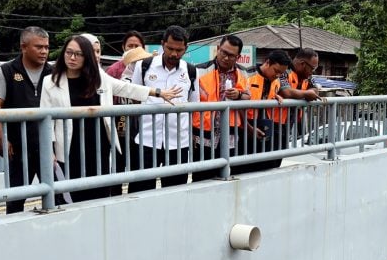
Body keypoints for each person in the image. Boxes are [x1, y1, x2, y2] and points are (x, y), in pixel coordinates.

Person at [39, 35, 181, 203]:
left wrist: (157, 92)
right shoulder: (50, 82)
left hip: (98, 146)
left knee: (98, 193)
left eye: (78, 54)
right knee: (70, 195)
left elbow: (124, 88)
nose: (72, 58)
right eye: (69, 52)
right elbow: (45, 119)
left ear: (87, 57)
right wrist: (50, 149)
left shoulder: (97, 77)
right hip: (69, 147)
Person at [0, 26, 52, 214]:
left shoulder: (52, 72)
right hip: (17, 147)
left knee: (54, 195)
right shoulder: (6, 71)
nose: (44, 51)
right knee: (16, 199)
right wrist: (2, 137)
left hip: (48, 147)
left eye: (47, 47)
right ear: (24, 47)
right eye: (39, 47)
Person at [128, 25, 199, 191]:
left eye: (179, 50)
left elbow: (194, 104)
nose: (174, 54)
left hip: (178, 143)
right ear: (162, 44)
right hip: (146, 140)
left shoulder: (190, 71)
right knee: (140, 189)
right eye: (170, 48)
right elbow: (135, 96)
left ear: (186, 49)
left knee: (175, 190)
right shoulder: (144, 66)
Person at [192, 34, 250, 181]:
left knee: (225, 177)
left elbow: (248, 97)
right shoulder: (200, 70)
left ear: (238, 57)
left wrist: (238, 95)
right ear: (218, 49)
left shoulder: (243, 72)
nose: (226, 58)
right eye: (223, 52)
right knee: (201, 178)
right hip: (203, 135)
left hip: (230, 136)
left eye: (231, 55)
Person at [236, 50, 290, 175]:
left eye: (281, 73)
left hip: (262, 130)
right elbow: (237, 105)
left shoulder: (276, 81)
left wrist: (275, 96)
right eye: (276, 71)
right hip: (244, 130)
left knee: (264, 169)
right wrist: (249, 128)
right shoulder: (247, 75)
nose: (278, 75)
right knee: (242, 170)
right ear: (267, 62)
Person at [271, 48, 323, 151]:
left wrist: (309, 92)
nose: (312, 72)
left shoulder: (307, 76)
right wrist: (306, 94)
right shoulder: (284, 70)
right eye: (312, 68)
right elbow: (286, 92)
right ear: (303, 64)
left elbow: (315, 89)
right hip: (273, 123)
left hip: (288, 124)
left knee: (279, 156)